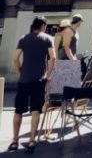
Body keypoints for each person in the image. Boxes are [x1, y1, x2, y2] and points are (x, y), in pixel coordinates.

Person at [10, 16, 56, 154]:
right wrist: (48, 74)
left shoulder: (23, 38)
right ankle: (31, 140)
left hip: (24, 80)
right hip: (38, 80)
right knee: (36, 110)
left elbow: (15, 59)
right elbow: (53, 57)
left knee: (18, 110)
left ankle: (14, 141)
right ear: (43, 26)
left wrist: (20, 71)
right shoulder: (48, 38)